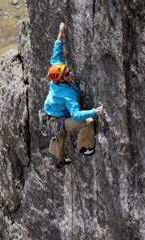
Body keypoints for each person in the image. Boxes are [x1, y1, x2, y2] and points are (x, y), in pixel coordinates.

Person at [42, 22, 105, 168]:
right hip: (59, 120)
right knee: (88, 121)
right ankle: (82, 147)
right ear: (61, 79)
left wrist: (60, 33)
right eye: (67, 74)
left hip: (51, 117)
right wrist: (95, 112)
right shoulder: (68, 94)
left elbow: (56, 55)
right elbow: (76, 115)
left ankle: (60, 159)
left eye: (68, 70)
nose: (71, 73)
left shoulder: (56, 74)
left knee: (60, 138)